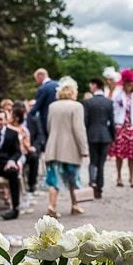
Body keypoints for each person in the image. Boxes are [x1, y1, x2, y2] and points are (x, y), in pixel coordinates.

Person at [43, 77, 90, 217]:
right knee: (73, 178)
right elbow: (78, 129)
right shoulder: (77, 106)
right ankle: (75, 205)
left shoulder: (52, 106)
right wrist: (84, 149)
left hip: (53, 147)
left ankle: (52, 206)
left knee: (53, 179)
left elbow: (48, 126)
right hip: (71, 148)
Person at [109, 69, 133, 188]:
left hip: (132, 127)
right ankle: (119, 176)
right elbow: (113, 111)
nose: (129, 86)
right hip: (120, 127)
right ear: (123, 84)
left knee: (131, 155)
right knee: (119, 154)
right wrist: (113, 126)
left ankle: (131, 176)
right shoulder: (118, 95)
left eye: (131, 83)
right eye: (127, 83)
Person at [83, 77, 115, 199]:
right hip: (105, 135)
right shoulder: (109, 102)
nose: (90, 87)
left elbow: (85, 121)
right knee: (101, 163)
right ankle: (99, 187)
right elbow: (112, 122)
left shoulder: (88, 102)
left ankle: (93, 182)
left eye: (91, 85)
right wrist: (113, 137)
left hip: (92, 134)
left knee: (93, 161)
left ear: (95, 86)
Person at [25, 101, 46, 193]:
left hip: (32, 147)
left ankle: (32, 183)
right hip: (18, 150)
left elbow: (40, 135)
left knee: (34, 157)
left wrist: (34, 147)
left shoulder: (34, 119)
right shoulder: (13, 122)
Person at [32, 68, 58, 140]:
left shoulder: (43, 88)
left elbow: (37, 106)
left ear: (40, 76)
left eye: (36, 79)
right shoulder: (59, 84)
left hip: (46, 119)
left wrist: (30, 113)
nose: (36, 81)